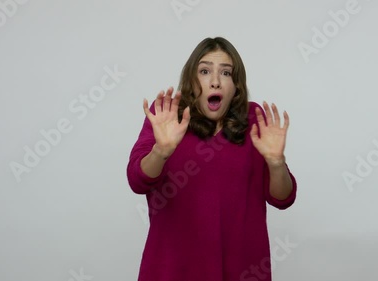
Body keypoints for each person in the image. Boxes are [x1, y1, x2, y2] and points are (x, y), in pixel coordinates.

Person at [127, 37, 297, 281]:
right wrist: (161, 151)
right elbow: (137, 180)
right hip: (172, 270)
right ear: (191, 81)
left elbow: (283, 198)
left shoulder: (253, 119)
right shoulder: (167, 114)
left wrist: (276, 163)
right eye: (204, 71)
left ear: (236, 85)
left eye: (226, 73)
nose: (215, 81)